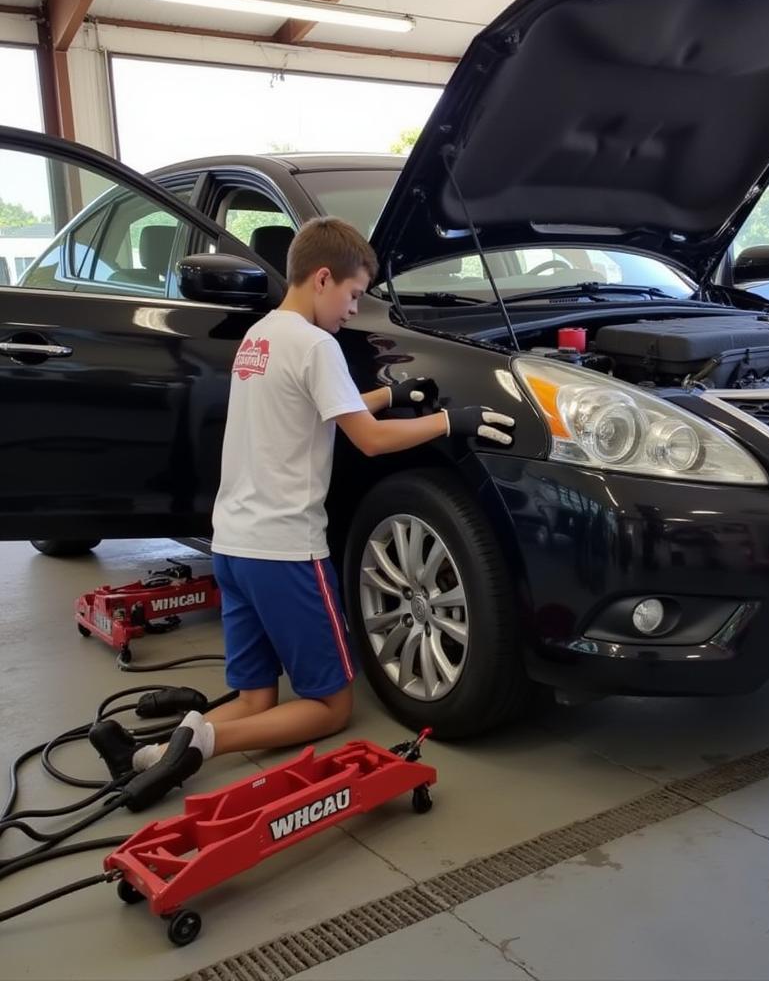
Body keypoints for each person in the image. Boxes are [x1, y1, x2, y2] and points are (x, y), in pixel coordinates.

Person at [90, 217, 515, 789]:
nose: (352, 311)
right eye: (353, 295)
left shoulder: (262, 337)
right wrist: (448, 420)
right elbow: (367, 438)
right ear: (322, 278)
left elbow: (318, 406)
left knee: (257, 696)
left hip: (234, 547)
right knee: (331, 706)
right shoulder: (317, 345)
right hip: (284, 550)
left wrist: (393, 394)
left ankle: (147, 757)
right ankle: (203, 744)